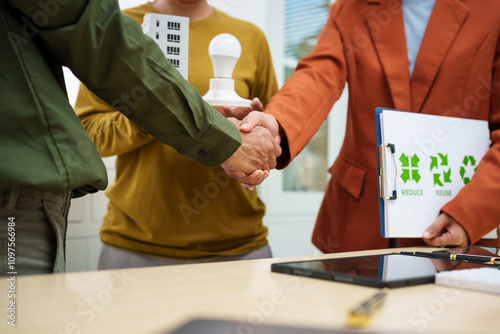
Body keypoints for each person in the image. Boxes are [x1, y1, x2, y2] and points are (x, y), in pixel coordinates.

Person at [0, 0, 279, 275]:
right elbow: (90, 136)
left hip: (240, 246)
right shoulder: (119, 27)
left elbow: (271, 137)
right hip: (137, 246)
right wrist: (160, 118)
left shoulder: (251, 37)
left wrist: (249, 133)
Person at [241, 0, 500, 253]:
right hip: (360, 220)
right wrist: (278, 123)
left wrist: (471, 212)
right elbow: (319, 74)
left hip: (454, 216)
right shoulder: (350, 7)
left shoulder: (492, 10)